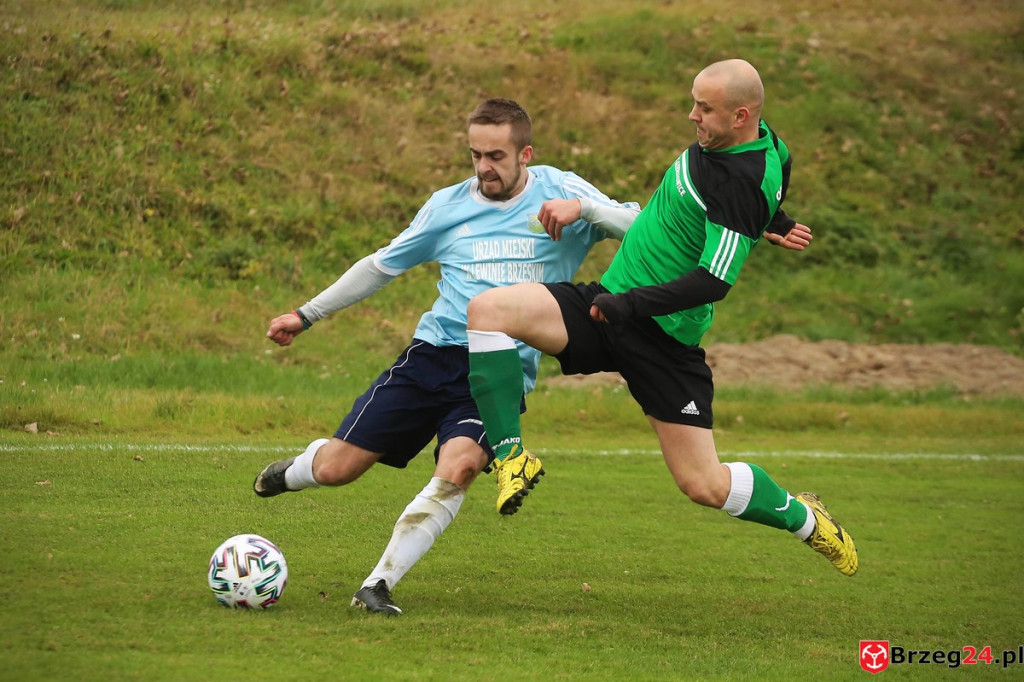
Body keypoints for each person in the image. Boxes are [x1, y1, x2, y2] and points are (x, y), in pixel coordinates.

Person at [465, 59, 858, 577]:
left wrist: (632, 302)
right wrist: (773, 220)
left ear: (741, 115)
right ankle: (512, 457)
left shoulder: (740, 182)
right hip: (610, 302)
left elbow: (714, 281)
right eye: (694, 101)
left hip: (661, 336)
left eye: (705, 108)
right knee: (488, 310)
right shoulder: (759, 142)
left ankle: (807, 519)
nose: (692, 115)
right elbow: (778, 173)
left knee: (704, 485)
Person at [251, 98, 644, 615]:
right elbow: (380, 266)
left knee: (458, 468)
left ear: (526, 153)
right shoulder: (449, 205)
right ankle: (298, 468)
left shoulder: (562, 190)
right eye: (476, 154)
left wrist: (588, 211)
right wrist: (306, 314)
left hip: (497, 372)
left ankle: (378, 584)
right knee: (339, 469)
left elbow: (639, 230)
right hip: (431, 358)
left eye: (497, 156)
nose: (485, 167)